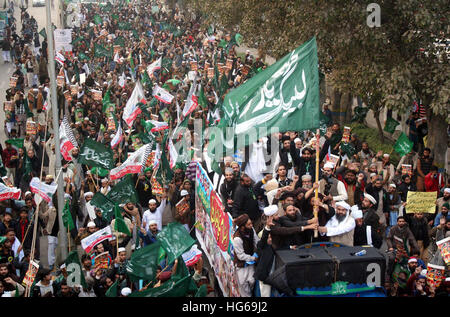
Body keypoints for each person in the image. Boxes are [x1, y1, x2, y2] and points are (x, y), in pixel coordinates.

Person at [232, 214, 259, 297]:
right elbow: (241, 256)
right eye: (249, 224)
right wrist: (253, 258)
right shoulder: (237, 239)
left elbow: (256, 241)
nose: (251, 226)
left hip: (250, 263)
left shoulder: (251, 230)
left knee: (252, 280)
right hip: (241, 265)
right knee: (243, 285)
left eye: (251, 224)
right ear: (243, 226)